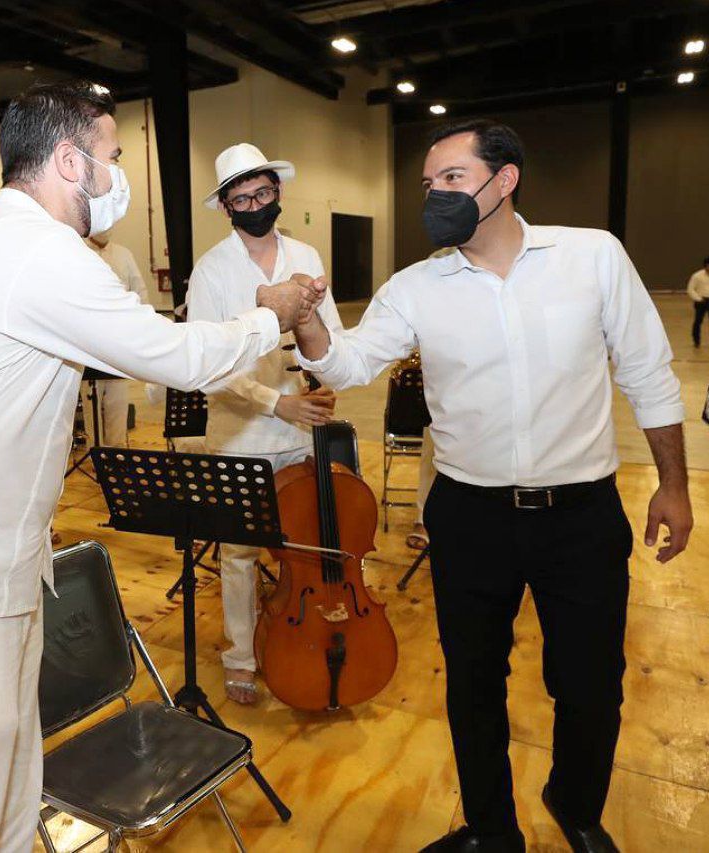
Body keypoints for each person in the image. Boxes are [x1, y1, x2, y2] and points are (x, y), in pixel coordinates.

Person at [0, 81, 310, 852]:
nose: (117, 177)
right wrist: (270, 311)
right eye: (111, 157)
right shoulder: (35, 253)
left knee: (5, 792)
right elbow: (177, 357)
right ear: (70, 161)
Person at [289, 120, 692, 853]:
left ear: (502, 181)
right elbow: (344, 366)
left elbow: (648, 372)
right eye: (426, 184)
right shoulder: (416, 286)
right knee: (472, 683)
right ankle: (490, 829)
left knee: (590, 685)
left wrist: (674, 485)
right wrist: (307, 318)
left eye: (450, 177)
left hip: (581, 513)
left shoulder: (591, 257)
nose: (433, 195)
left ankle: (574, 804)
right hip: (470, 515)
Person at [186, 142, 342, 705]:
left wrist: (325, 374)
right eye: (241, 198)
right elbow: (207, 366)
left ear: (278, 193)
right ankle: (241, 656)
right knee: (238, 554)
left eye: (262, 193)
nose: (254, 203)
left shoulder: (306, 253)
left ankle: (298, 634)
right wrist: (276, 403)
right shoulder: (210, 271)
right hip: (240, 434)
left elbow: (332, 334)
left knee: (305, 546)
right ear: (226, 208)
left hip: (301, 430)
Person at [79, 228, 148, 446]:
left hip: (120, 346)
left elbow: (141, 293)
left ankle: (118, 456)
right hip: (88, 347)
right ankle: (95, 453)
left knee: (118, 405)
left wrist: (138, 331)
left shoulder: (124, 254)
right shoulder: (77, 252)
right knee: (91, 406)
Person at [688, 255, 709, 347]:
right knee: (698, 321)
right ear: (705, 266)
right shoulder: (697, 276)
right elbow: (690, 289)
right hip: (701, 301)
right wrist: (698, 299)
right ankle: (696, 341)